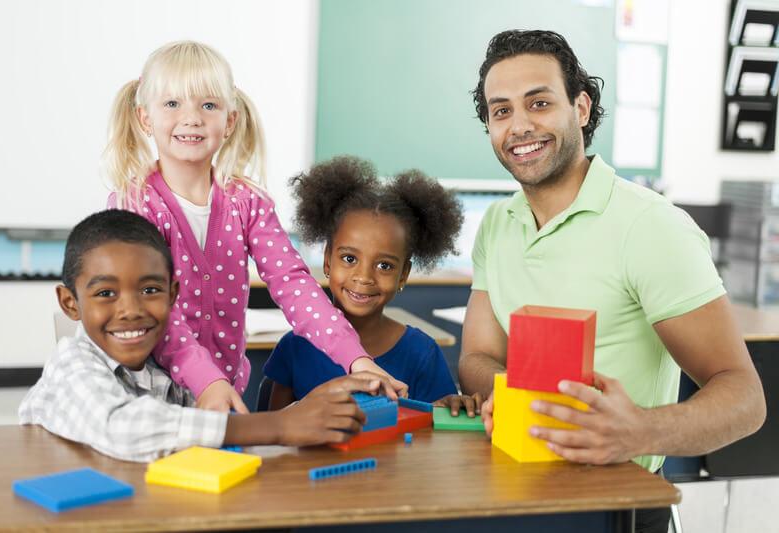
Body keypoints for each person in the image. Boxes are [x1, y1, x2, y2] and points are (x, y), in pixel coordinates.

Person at [459, 30, 765, 532]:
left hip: (616, 504)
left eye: (538, 102)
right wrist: (523, 401)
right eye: (501, 111)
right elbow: (477, 356)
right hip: (513, 487)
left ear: (581, 107)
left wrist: (637, 431)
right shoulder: (497, 223)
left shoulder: (651, 226)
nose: (519, 126)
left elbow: (744, 398)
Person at [102, 41, 405, 414]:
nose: (192, 118)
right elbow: (150, 306)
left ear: (229, 121)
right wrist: (205, 380)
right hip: (149, 397)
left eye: (208, 105)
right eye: (172, 103)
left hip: (223, 392)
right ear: (145, 118)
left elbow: (293, 283)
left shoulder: (247, 202)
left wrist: (355, 358)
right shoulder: (135, 205)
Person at [19, 210, 394, 462]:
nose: (130, 309)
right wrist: (279, 425)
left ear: (173, 294)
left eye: (150, 290)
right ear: (70, 303)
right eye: (105, 293)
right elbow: (123, 428)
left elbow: (195, 437)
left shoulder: (164, 369)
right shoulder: (72, 366)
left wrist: (307, 408)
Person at [264, 157, 482, 415]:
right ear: (326, 261)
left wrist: (447, 410)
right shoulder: (295, 347)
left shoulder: (422, 353)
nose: (364, 277)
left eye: (385, 266)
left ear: (403, 275)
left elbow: (434, 428)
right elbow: (275, 430)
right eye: (349, 259)